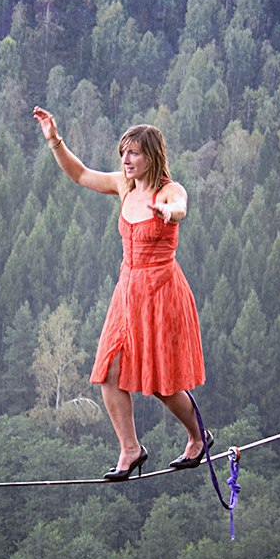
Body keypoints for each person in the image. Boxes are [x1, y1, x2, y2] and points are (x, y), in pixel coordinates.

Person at [33, 107, 211, 481]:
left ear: (152, 156)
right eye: (123, 153)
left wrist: (169, 212)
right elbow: (80, 174)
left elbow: (180, 206)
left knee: (163, 386)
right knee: (108, 373)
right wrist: (53, 139)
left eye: (134, 153)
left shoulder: (168, 190)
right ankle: (131, 449)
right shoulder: (123, 186)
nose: (125, 160)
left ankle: (198, 439)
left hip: (161, 292)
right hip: (127, 292)